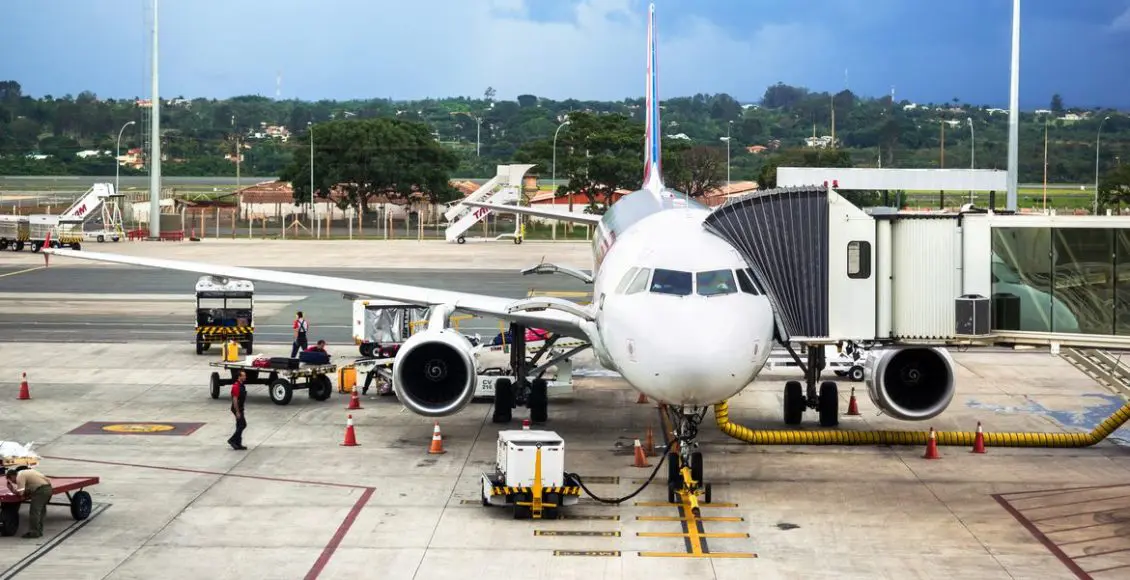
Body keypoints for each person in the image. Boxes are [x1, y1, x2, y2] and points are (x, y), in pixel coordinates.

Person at [5, 466, 52, 538]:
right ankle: (39, 531)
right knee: (41, 511)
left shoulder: (19, 476)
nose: (14, 482)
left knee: (34, 512)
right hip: (48, 488)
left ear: (12, 476)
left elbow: (21, 493)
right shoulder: (25, 473)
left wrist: (12, 489)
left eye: (11, 480)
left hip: (41, 491)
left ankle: (34, 532)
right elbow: (29, 488)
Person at [228, 370, 248, 450]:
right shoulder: (236, 386)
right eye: (243, 376)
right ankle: (232, 440)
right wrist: (237, 412)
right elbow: (235, 400)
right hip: (237, 408)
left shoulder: (242, 385)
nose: (245, 377)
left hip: (240, 408)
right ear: (239, 377)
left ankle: (238, 443)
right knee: (243, 425)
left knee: (239, 425)